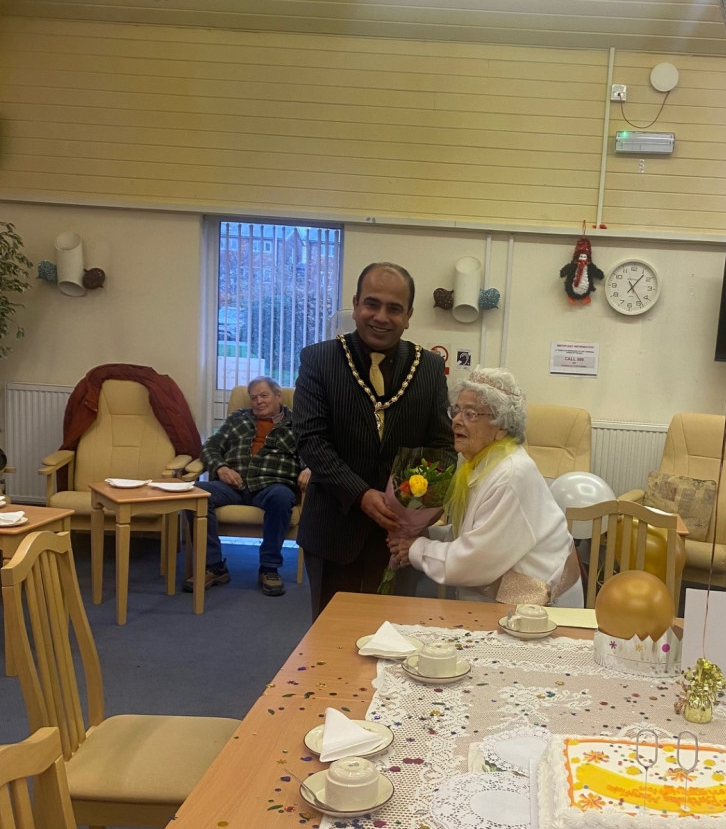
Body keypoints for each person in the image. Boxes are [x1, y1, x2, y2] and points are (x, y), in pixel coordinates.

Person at [293, 262, 452, 618]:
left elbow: (441, 447)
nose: (381, 316)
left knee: (394, 635)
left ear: (409, 315)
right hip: (333, 531)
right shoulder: (318, 360)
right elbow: (311, 441)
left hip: (399, 538)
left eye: (394, 308)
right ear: (355, 304)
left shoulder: (427, 368)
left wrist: (416, 505)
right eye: (372, 304)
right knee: (331, 640)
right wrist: (361, 494)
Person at [388, 367, 584, 605]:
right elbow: (473, 531)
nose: (457, 421)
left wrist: (415, 548)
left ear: (501, 425)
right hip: (503, 600)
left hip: (539, 607)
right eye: (457, 410)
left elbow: (475, 560)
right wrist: (425, 533)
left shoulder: (511, 473)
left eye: (471, 413)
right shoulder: (482, 463)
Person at [186, 376, 308, 597]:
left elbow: (312, 452)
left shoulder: (297, 423)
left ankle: (269, 568)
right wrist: (221, 467)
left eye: (264, 395)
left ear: (278, 396)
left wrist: (310, 469)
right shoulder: (238, 419)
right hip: (234, 485)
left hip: (271, 485)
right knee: (194, 495)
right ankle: (214, 566)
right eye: (253, 398)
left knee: (282, 497)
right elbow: (210, 447)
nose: (258, 401)